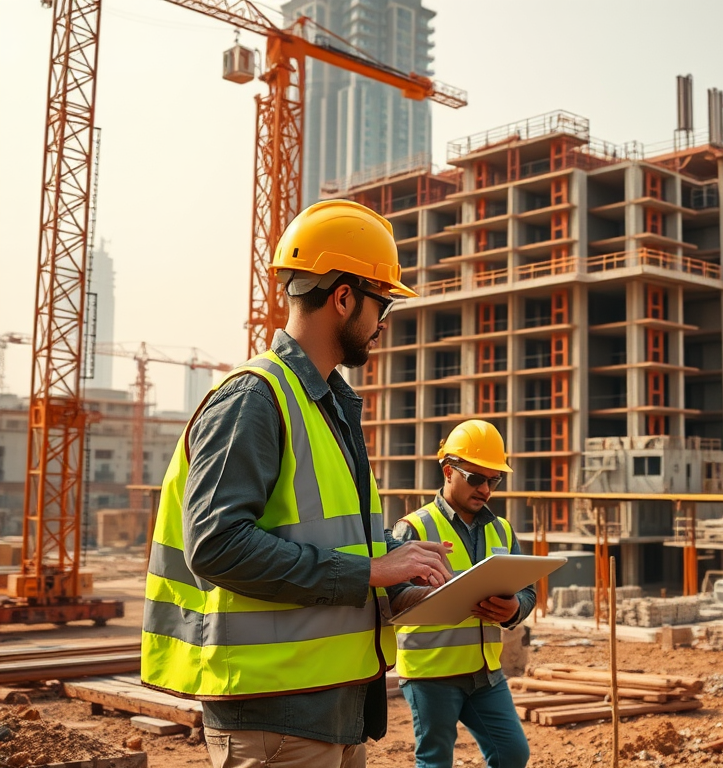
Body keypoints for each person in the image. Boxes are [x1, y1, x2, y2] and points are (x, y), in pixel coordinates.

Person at [140, 199, 453, 768]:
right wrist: (371, 570)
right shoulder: (254, 400)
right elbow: (215, 544)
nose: (384, 323)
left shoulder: (327, 405)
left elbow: (325, 543)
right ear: (342, 297)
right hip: (272, 719)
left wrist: (404, 576)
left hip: (332, 709)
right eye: (381, 304)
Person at [392, 420, 536, 768]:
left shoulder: (502, 529)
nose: (486, 489)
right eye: (476, 478)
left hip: (486, 672)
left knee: (513, 753)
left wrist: (515, 608)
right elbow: (392, 601)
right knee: (435, 761)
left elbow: (527, 590)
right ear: (448, 471)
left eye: (494, 480)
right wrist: (428, 590)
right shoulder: (413, 528)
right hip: (432, 674)